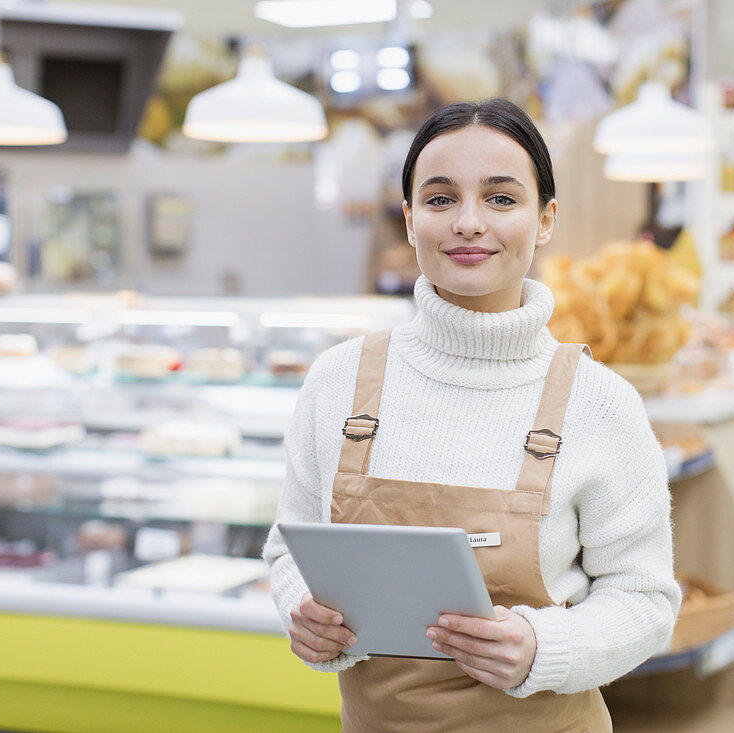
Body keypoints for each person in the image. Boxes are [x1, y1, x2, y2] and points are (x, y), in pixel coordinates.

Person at [262, 98, 682, 732]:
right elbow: (287, 548)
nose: (467, 222)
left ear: (545, 220)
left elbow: (645, 600)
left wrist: (544, 648)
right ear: (408, 221)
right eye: (439, 199)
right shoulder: (338, 381)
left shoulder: (601, 404)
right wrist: (306, 611)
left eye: (501, 198)